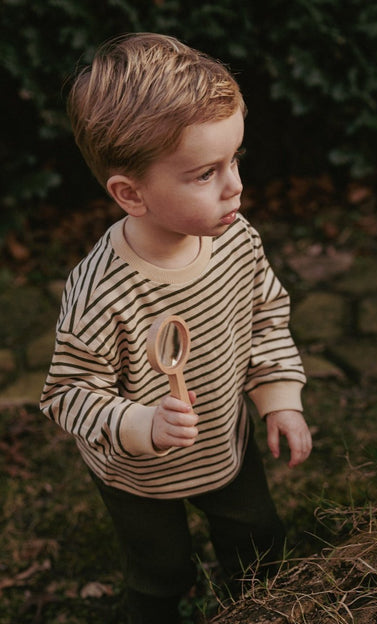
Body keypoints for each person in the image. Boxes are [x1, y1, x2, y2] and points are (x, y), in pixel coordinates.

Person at [40, 33, 312, 624]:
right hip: (136, 471)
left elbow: (267, 315)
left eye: (234, 159)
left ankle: (259, 611)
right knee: (161, 572)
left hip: (224, 442)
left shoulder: (236, 240)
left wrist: (279, 398)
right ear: (131, 194)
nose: (235, 184)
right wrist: (142, 424)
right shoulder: (100, 291)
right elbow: (66, 394)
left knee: (258, 543)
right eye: (206, 172)